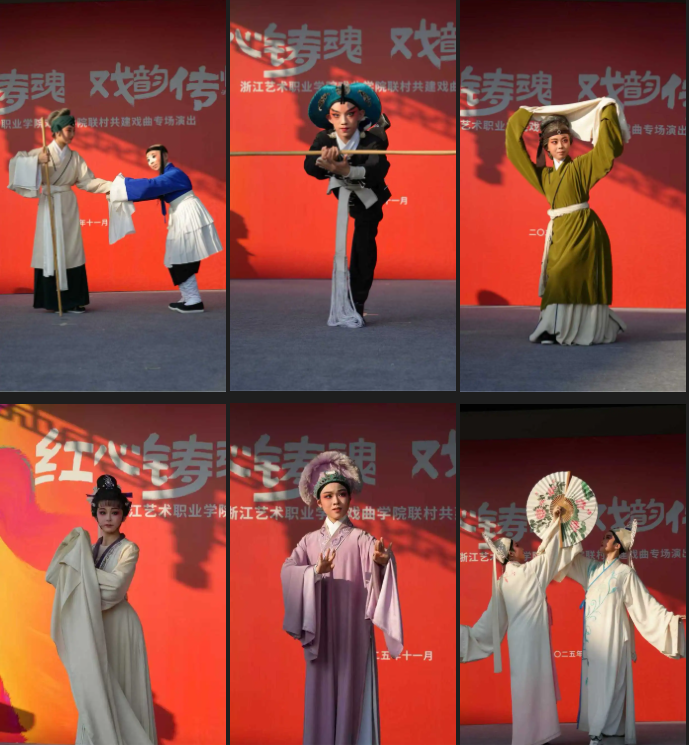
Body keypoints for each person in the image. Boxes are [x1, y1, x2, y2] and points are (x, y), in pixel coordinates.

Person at [280, 451, 402, 745]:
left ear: (350, 498)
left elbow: (380, 575)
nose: (336, 501)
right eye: (328, 496)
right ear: (318, 502)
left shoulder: (363, 540)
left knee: (352, 690)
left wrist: (382, 563)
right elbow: (287, 571)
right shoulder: (308, 542)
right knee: (320, 693)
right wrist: (313, 572)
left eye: (342, 494)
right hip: (320, 631)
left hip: (352, 630)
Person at [505, 98, 629, 345]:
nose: (560, 146)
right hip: (559, 232)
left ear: (571, 142)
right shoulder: (544, 176)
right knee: (558, 277)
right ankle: (557, 326)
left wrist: (606, 110)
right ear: (546, 147)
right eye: (554, 142)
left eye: (564, 140)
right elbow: (515, 152)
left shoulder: (582, 166)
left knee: (573, 278)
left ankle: (561, 329)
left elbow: (605, 152)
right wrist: (522, 116)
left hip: (584, 230)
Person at [554, 521, 686, 745]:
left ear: (617, 546)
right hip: (593, 639)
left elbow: (644, 603)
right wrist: (564, 525)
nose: (603, 540)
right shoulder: (591, 569)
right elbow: (569, 559)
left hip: (614, 635)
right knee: (596, 683)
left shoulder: (625, 573)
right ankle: (604, 728)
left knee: (612, 682)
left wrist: (669, 619)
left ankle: (600, 730)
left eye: (608, 537)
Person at [461, 506, 582, 745]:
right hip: (534, 642)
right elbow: (551, 553)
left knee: (524, 691)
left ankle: (529, 738)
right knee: (537, 688)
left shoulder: (502, 582)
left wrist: (467, 637)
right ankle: (539, 738)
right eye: (516, 546)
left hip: (517, 645)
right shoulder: (529, 572)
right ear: (509, 554)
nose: (522, 548)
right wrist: (559, 522)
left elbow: (491, 621)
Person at [8, 108, 112, 313]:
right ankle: (52, 300)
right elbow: (15, 163)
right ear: (56, 131)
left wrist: (112, 186)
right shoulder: (41, 152)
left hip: (67, 203)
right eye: (68, 130)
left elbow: (87, 181)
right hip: (49, 203)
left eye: (73, 130)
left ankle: (74, 300)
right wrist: (36, 161)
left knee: (71, 249)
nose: (72, 134)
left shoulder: (75, 157)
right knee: (49, 247)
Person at [304, 83, 392, 326]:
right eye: (336, 115)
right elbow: (309, 167)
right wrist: (322, 163)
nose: (343, 121)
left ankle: (357, 302)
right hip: (344, 192)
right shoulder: (324, 138)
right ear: (328, 118)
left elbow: (378, 170)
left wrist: (346, 170)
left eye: (350, 114)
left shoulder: (373, 140)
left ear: (361, 114)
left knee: (364, 242)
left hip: (370, 195)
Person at [108, 144, 223, 313]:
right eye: (148, 159)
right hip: (181, 212)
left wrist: (119, 186)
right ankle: (188, 297)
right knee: (174, 256)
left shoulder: (174, 174)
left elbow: (149, 186)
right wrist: (117, 192)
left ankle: (194, 301)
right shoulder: (168, 176)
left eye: (154, 156)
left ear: (165, 156)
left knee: (181, 256)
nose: (151, 161)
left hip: (186, 212)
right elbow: (149, 191)